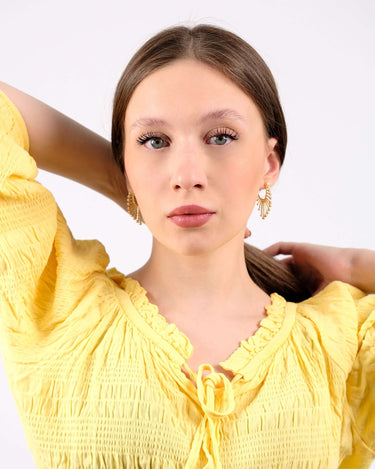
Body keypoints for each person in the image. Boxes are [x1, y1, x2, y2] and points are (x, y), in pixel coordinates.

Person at [0, 23, 374, 469]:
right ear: (126, 163)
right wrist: (122, 181)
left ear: (269, 163)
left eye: (220, 137)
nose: (187, 173)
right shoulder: (59, 311)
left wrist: (358, 265)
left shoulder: (340, 341)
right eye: (154, 141)